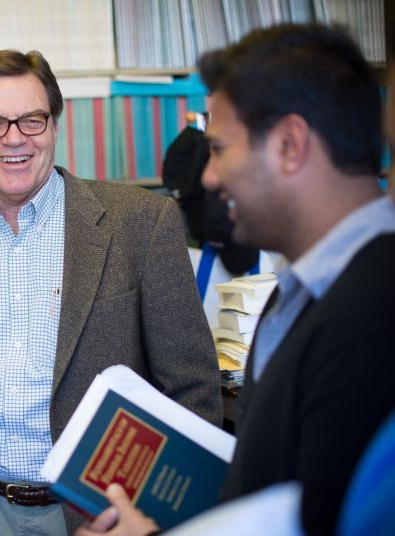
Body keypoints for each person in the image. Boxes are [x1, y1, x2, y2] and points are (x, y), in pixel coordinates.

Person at [77, 23, 395, 536]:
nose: (207, 176)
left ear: (290, 145)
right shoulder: (300, 293)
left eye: (220, 148)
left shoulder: (375, 317)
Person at [0, 49, 222, 535]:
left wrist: (158, 516)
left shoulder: (141, 224)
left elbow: (193, 390)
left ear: (54, 125)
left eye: (32, 119)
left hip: (103, 515)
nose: (14, 139)